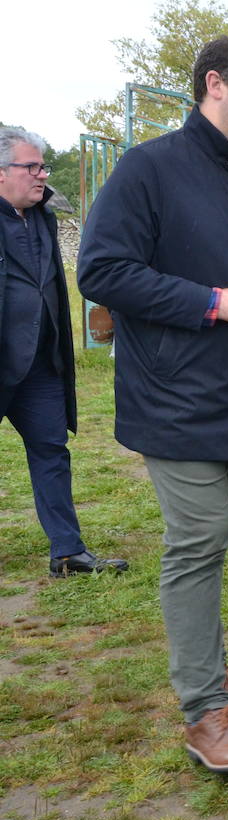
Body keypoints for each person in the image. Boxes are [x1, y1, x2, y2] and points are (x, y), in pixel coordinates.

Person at [78, 36, 228, 773]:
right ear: (215, 84)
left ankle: (213, 674)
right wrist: (213, 303)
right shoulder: (149, 169)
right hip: (173, 393)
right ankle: (202, 713)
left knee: (213, 542)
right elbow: (101, 270)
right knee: (199, 538)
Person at [0, 127, 128, 578]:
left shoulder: (41, 216)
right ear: (0, 174)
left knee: (52, 452)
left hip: (39, 363)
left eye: (43, 167)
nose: (41, 175)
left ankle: (67, 553)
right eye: (30, 167)